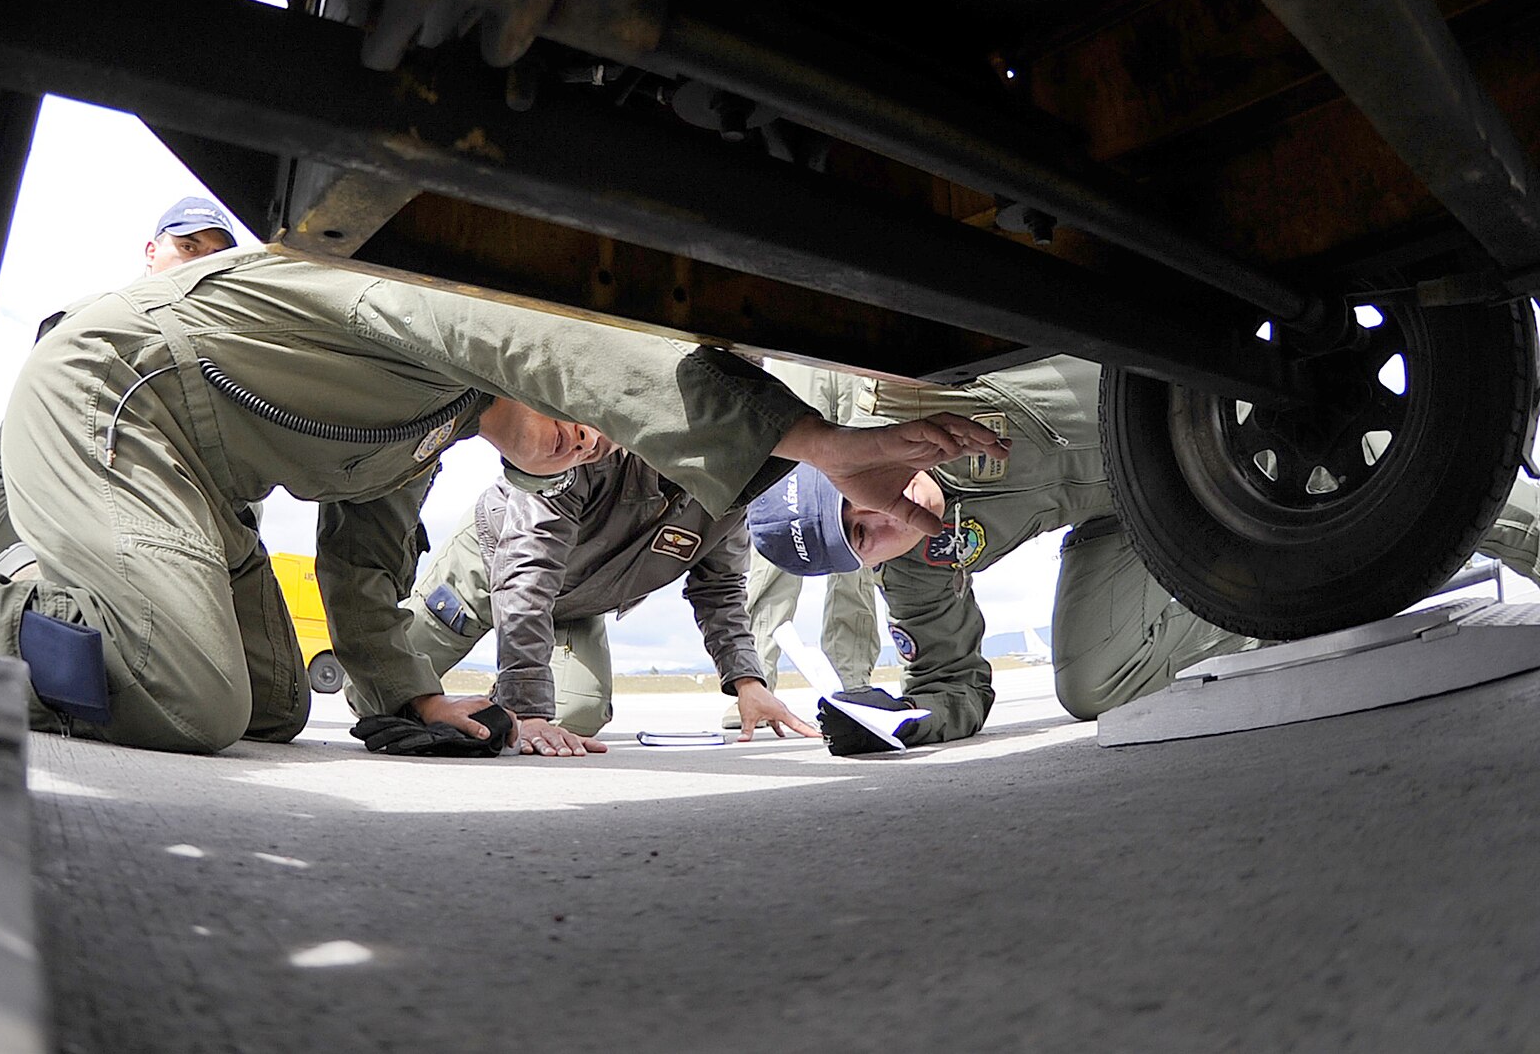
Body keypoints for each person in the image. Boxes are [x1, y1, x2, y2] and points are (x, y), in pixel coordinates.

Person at [0, 245, 1007, 756]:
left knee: (268, 706)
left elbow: (362, 577)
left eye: (594, 443)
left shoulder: (429, 437)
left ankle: (68, 599)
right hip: (110, 401)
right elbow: (562, 345)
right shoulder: (433, 303)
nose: (581, 437)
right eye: (581, 411)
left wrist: (412, 700)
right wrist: (812, 441)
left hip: (197, 493)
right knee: (190, 698)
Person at [747, 353, 1540, 746]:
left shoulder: (906, 382)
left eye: (853, 506)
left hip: (1203, 416)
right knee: (1091, 682)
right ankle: (1295, 603)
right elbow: (950, 679)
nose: (879, 525)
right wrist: (908, 722)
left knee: (1378, 468)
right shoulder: (915, 560)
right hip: (1131, 516)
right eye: (859, 547)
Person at [358, 446, 820, 756]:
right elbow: (526, 573)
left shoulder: (729, 500)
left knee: (577, 716)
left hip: (576, 605)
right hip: (492, 562)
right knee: (379, 694)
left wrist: (748, 683)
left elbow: (719, 593)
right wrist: (529, 710)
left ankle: (496, 707)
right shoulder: (592, 452)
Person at [0, 196, 240, 556]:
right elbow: (4, 467)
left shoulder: (226, 361)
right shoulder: (88, 323)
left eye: (214, 257)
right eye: (187, 247)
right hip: (66, 547)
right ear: (151, 251)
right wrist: (23, 561)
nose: (198, 264)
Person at [726, 361, 884, 728]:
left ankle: (854, 679)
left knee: (859, 520)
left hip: (863, 360)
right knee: (782, 509)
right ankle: (755, 679)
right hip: (794, 352)